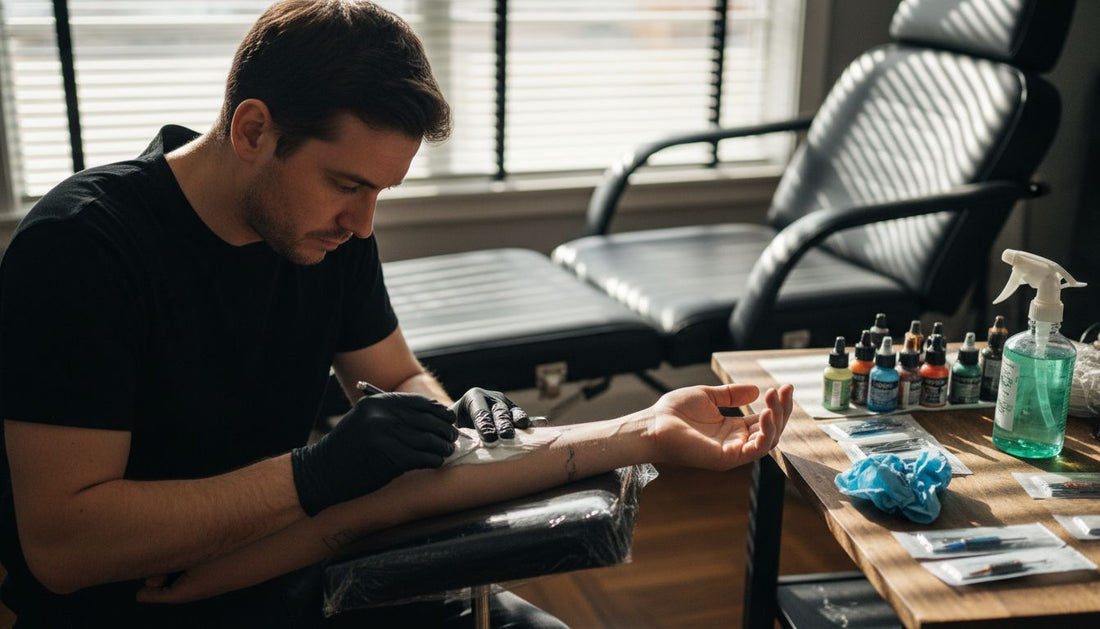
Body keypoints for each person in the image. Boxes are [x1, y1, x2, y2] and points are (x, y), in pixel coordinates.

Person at [0, 1, 794, 627]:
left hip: (286, 557)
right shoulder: (83, 250)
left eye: (381, 191)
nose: (363, 223)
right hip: (134, 601)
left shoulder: (328, 234)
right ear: (253, 129)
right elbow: (65, 546)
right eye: (348, 185)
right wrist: (316, 473)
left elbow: (395, 374)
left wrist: (447, 417)